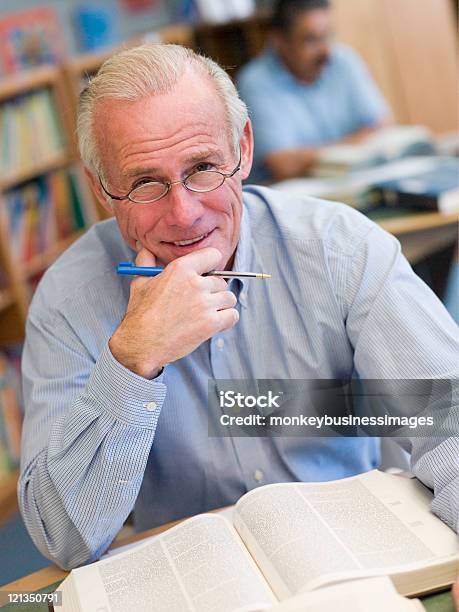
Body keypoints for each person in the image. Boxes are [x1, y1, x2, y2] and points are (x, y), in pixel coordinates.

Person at [19, 43, 458, 571]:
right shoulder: (69, 299)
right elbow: (62, 538)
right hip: (191, 575)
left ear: (243, 149)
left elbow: (446, 416)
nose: (183, 214)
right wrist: (133, 360)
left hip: (351, 554)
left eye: (203, 167)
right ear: (101, 189)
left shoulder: (342, 250)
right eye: (144, 183)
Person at [237, 0, 392, 182]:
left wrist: (311, 157)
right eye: (311, 40)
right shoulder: (255, 82)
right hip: (295, 196)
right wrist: (359, 142)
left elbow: (383, 126)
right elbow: (284, 166)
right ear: (279, 41)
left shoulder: (344, 61)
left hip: (356, 182)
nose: (325, 50)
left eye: (327, 36)